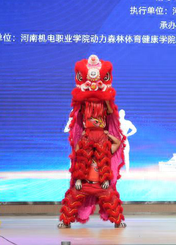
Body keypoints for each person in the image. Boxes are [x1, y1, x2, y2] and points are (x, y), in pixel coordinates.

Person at [59, 55, 126, 228]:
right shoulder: (84, 143)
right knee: (80, 166)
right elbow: (77, 111)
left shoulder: (104, 108)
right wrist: (78, 180)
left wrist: (107, 133)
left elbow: (110, 112)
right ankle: (66, 221)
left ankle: (117, 221)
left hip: (102, 180)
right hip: (87, 142)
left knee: (110, 197)